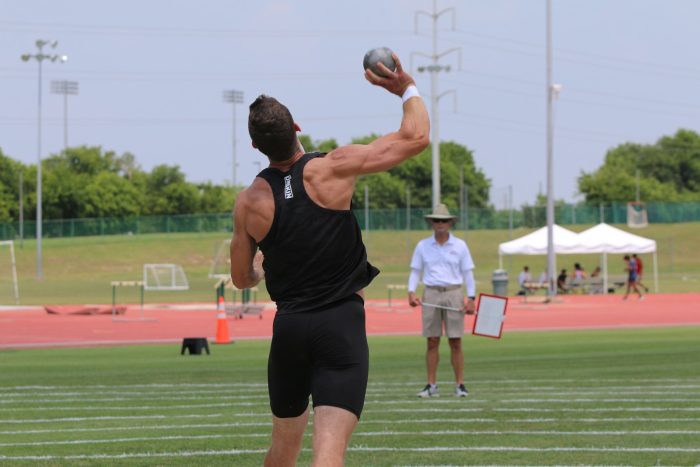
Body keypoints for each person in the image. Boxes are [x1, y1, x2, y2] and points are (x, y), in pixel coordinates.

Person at [229, 53, 429, 467]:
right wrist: (404, 88)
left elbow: (240, 279)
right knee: (328, 452)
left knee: (283, 446)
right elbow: (416, 138)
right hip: (339, 325)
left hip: (289, 331)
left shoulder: (249, 203)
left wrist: (262, 267)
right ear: (297, 127)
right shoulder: (332, 169)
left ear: (255, 147)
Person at [407, 203, 476, 398]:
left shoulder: (460, 245)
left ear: (450, 223)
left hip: (454, 292)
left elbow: (468, 273)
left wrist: (471, 297)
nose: (440, 223)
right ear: (431, 223)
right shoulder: (423, 246)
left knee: (456, 340)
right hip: (431, 292)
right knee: (432, 340)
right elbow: (415, 271)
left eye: (444, 220)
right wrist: (411, 291)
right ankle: (431, 385)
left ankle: (460, 385)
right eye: (436, 220)